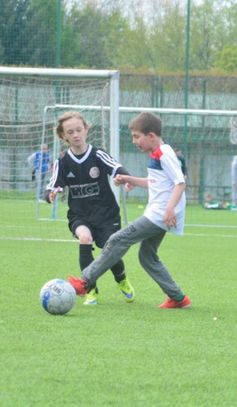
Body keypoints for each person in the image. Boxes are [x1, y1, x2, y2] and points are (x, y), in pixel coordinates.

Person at [67, 112, 191, 309]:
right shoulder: (158, 153)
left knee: (118, 239)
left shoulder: (164, 154)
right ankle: (178, 298)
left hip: (160, 214)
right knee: (147, 257)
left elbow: (180, 182)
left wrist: (169, 209)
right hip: (159, 213)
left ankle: (85, 281)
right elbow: (155, 182)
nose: (134, 141)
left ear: (151, 136)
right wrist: (129, 179)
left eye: (136, 136)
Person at [45, 111, 135, 306]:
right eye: (70, 132)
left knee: (109, 248)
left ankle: (121, 279)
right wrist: (51, 193)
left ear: (86, 130)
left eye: (79, 130)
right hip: (80, 215)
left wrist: (125, 178)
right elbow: (53, 184)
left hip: (106, 214)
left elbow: (116, 167)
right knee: (85, 238)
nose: (76, 135)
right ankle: (90, 289)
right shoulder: (63, 162)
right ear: (63, 136)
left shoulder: (97, 154)